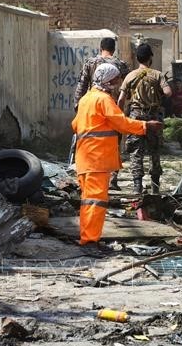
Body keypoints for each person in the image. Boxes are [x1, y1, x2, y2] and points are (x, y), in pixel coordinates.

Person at [72, 63, 162, 246]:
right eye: (116, 79)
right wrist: (145, 126)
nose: (118, 81)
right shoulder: (103, 100)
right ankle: (89, 241)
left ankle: (87, 237)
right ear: (108, 80)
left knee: (88, 201)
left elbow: (75, 125)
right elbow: (121, 123)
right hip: (97, 159)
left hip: (85, 158)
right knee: (96, 202)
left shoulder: (85, 99)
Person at [73, 37, 129, 190]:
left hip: (92, 110)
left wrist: (78, 108)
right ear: (114, 49)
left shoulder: (90, 63)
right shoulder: (121, 65)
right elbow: (127, 87)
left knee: (90, 143)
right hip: (113, 109)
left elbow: (82, 85)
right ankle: (112, 179)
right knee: (114, 145)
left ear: (100, 48)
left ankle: (88, 175)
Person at [117, 43, 172, 194]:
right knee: (155, 151)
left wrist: (120, 116)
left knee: (136, 152)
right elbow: (168, 92)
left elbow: (121, 99)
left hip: (135, 117)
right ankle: (155, 187)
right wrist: (158, 95)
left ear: (137, 58)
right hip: (153, 116)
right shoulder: (157, 74)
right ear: (150, 58)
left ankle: (137, 187)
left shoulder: (130, 76)